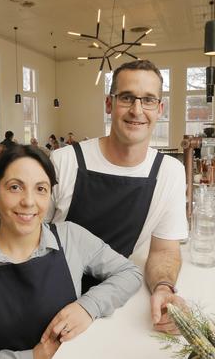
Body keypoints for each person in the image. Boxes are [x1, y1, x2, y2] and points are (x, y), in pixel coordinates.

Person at [0, 145, 142, 358]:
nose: (29, 201)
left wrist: (88, 306)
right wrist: (33, 356)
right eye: (15, 187)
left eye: (41, 189)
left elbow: (130, 273)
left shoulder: (72, 238)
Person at [48, 59, 187, 334]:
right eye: (126, 98)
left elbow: (163, 251)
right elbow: (28, 241)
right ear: (109, 104)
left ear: (160, 109)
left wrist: (162, 287)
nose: (137, 110)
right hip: (51, 300)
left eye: (148, 100)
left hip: (115, 302)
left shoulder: (170, 172)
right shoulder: (64, 161)